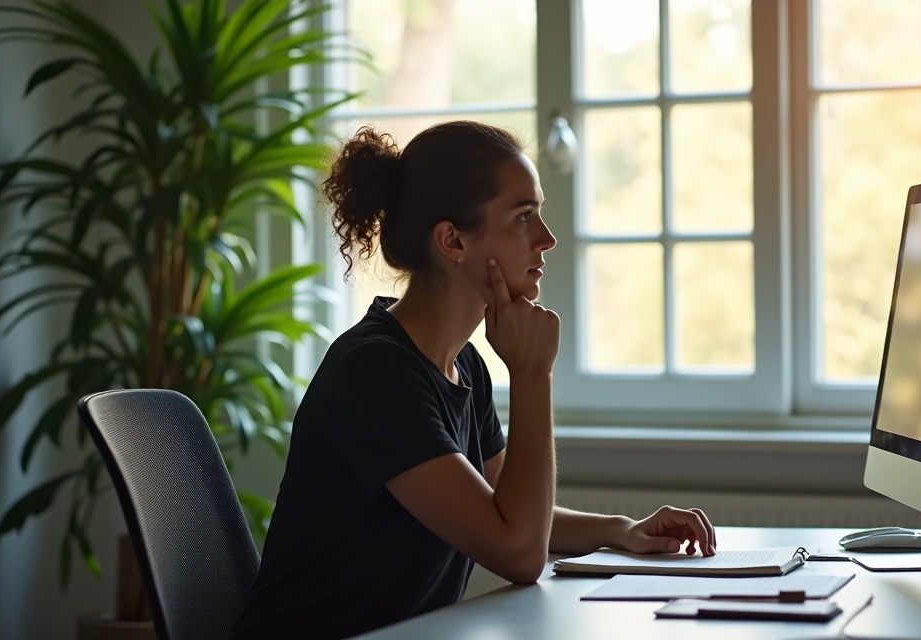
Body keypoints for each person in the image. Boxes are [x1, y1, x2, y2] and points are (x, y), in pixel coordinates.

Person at [230, 121, 717, 639]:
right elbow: (519, 552)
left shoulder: (464, 366)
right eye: (523, 217)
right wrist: (532, 374)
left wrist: (622, 531)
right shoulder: (374, 372)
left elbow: (509, 509)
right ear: (453, 241)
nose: (547, 239)